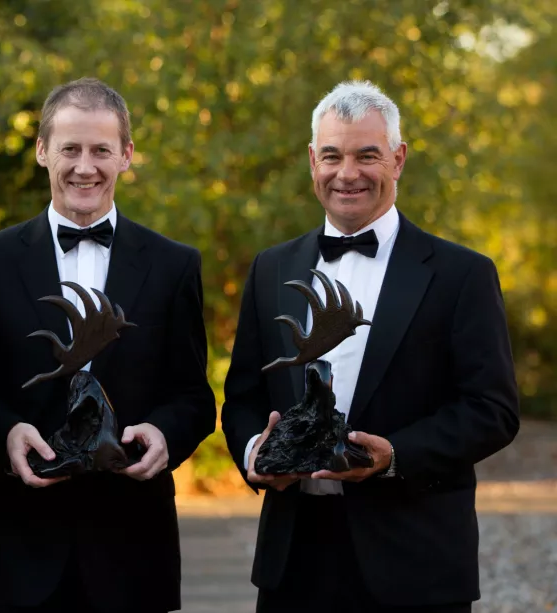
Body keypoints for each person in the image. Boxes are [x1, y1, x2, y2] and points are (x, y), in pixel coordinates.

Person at [220, 80, 520, 613]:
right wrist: (254, 453)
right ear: (313, 160)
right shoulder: (271, 269)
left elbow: (492, 410)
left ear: (398, 159)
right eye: (332, 155)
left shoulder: (462, 274)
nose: (347, 173)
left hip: (416, 562)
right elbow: (242, 395)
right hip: (293, 564)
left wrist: (395, 457)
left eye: (367, 155)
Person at [0, 77, 217, 613]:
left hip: (134, 548)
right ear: (43, 150)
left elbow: (193, 395)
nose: (84, 166)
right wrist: (6, 435)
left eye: (101, 150)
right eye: (70, 148)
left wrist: (166, 434)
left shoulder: (174, 265)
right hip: (18, 545)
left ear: (127, 156)